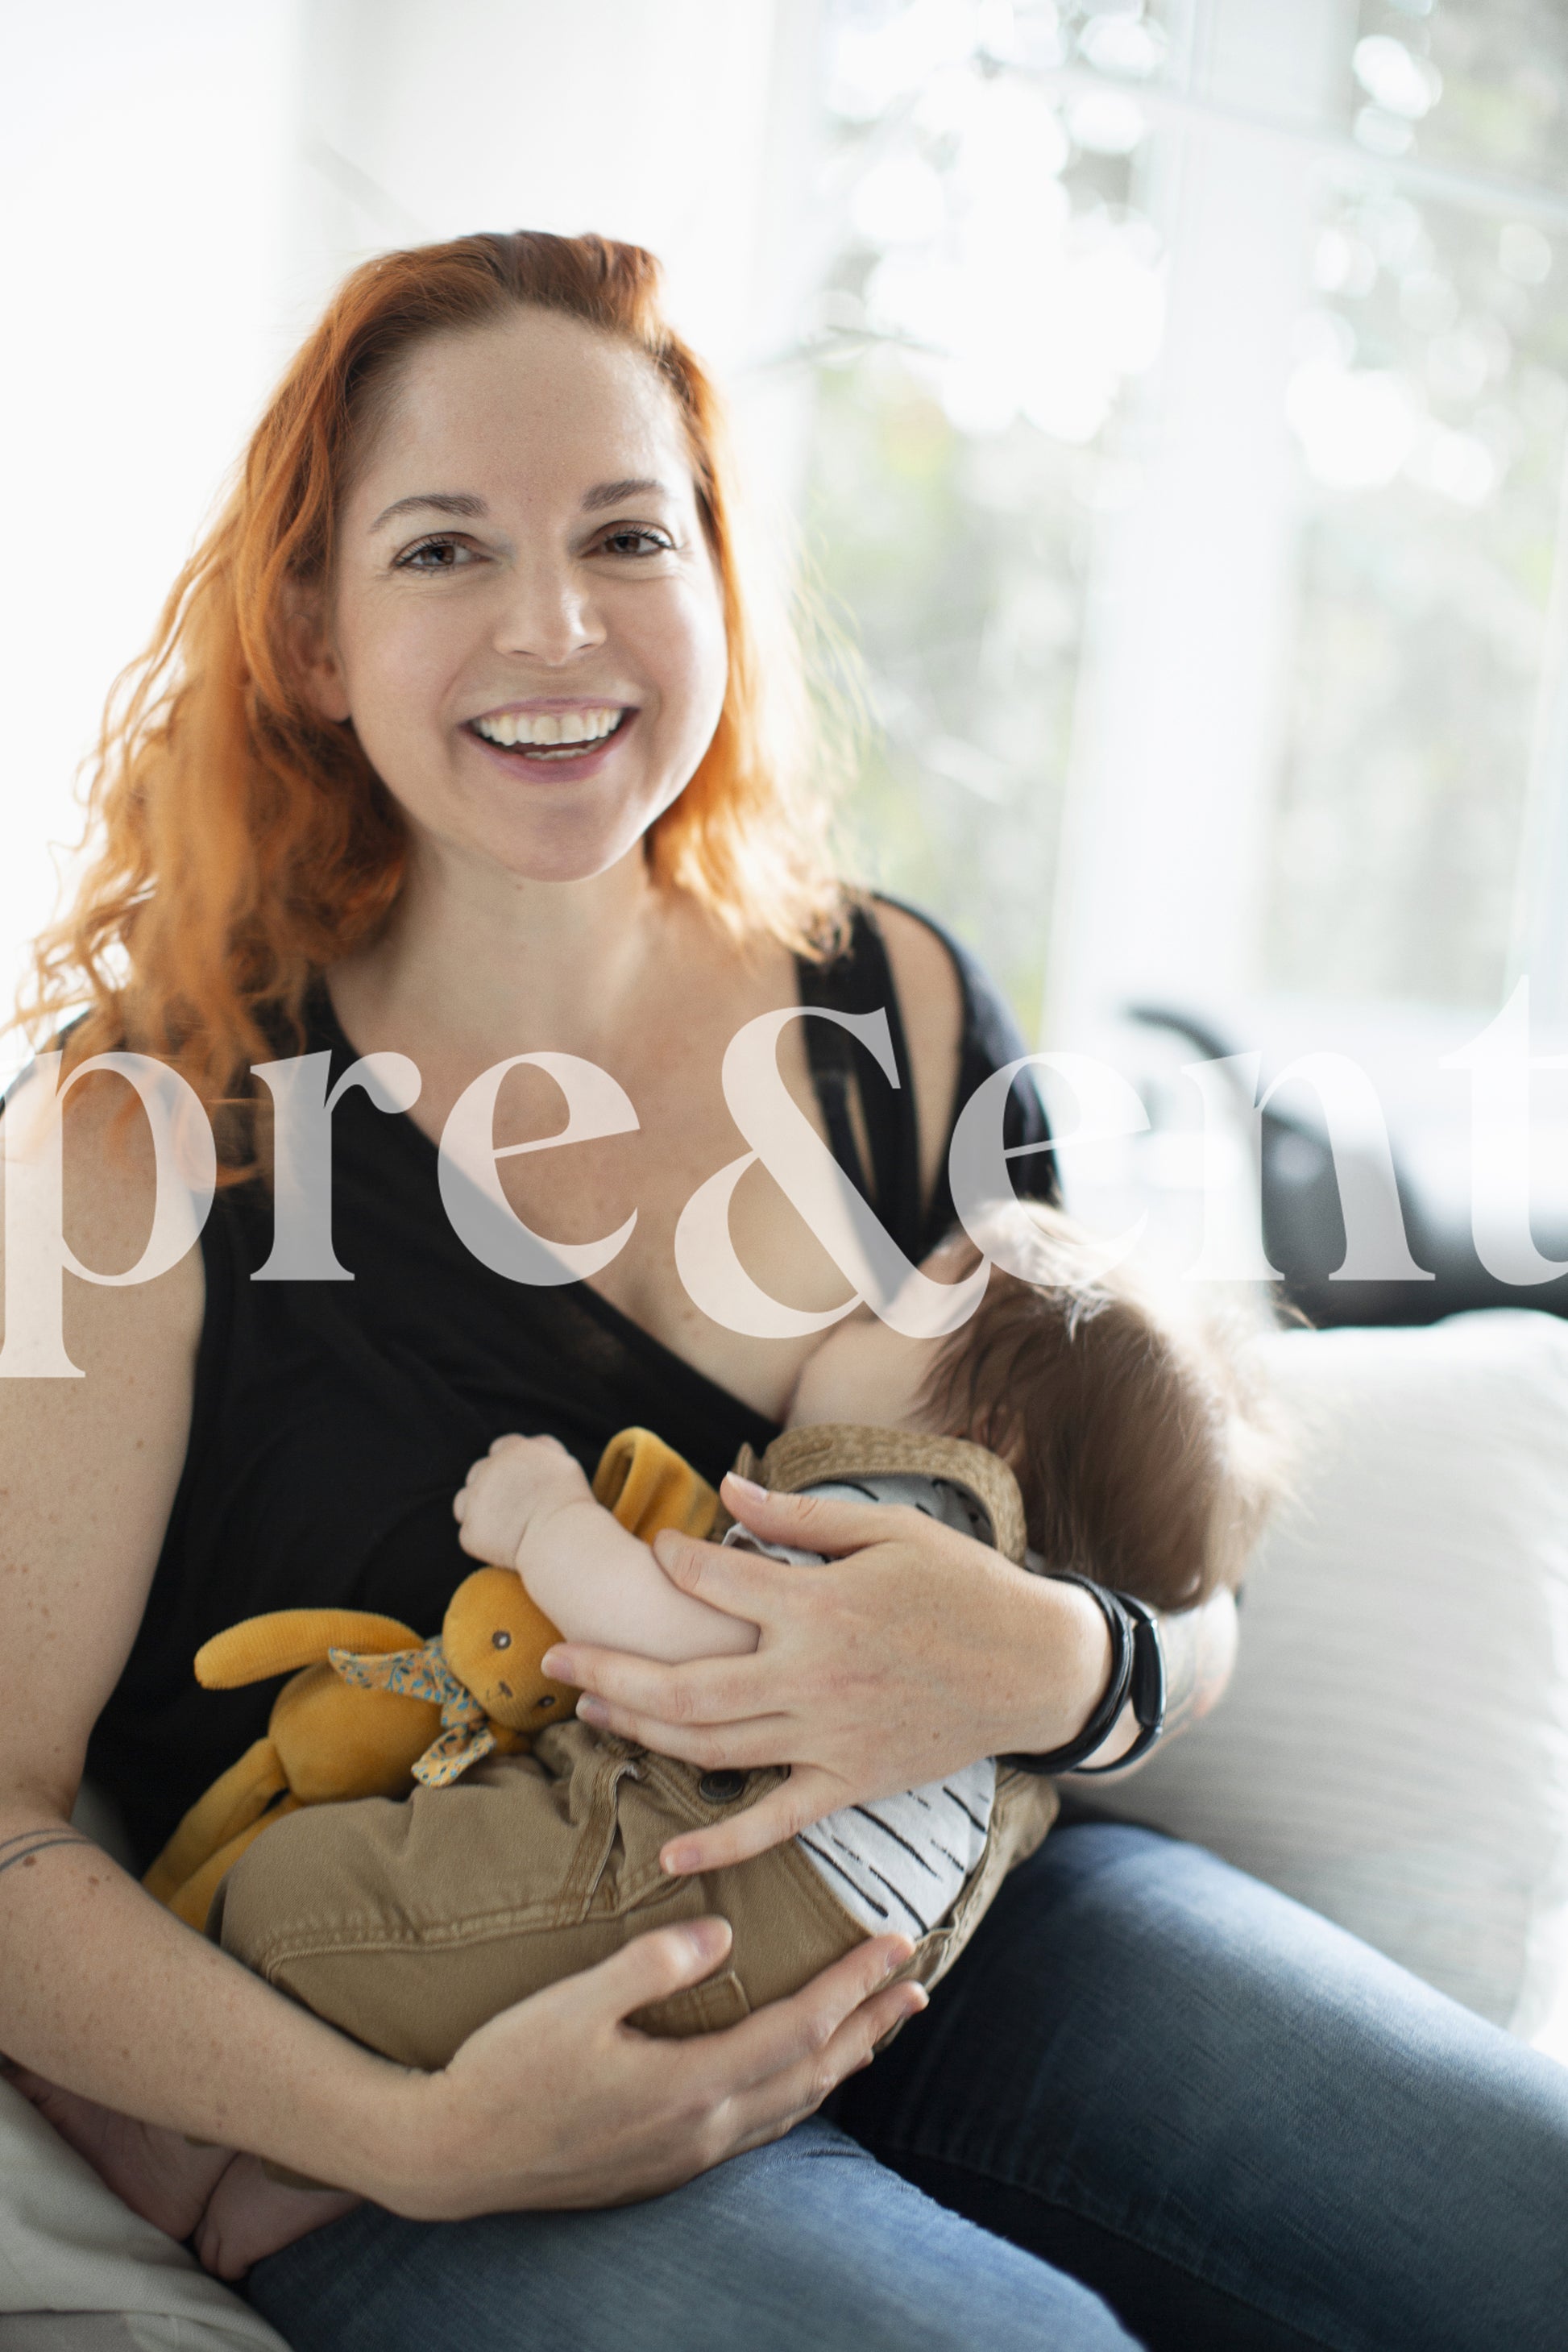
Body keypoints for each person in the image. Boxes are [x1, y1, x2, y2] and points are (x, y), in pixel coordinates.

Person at [1, 229, 1563, 2352]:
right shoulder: (151, 1127)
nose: (555, 626)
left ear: (716, 577)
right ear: (310, 635)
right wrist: (408, 2141)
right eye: (444, 548)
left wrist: (1057, 1658)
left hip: (958, 1926)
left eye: (625, 534)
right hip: (455, 2065)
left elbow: (1167, 1576)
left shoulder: (889, 999)